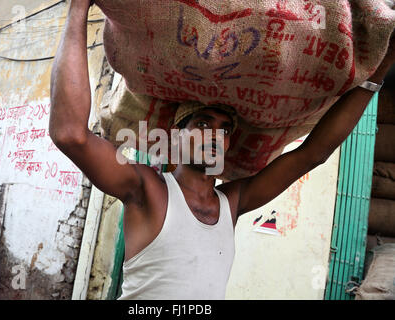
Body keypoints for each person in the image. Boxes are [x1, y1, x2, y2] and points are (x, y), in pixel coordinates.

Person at [49, 0, 394, 299]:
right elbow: (69, 134)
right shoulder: (146, 189)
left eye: (224, 129)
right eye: (202, 124)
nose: (215, 135)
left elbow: (311, 154)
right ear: (175, 137)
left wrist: (377, 72)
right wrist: (78, 8)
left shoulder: (234, 201)